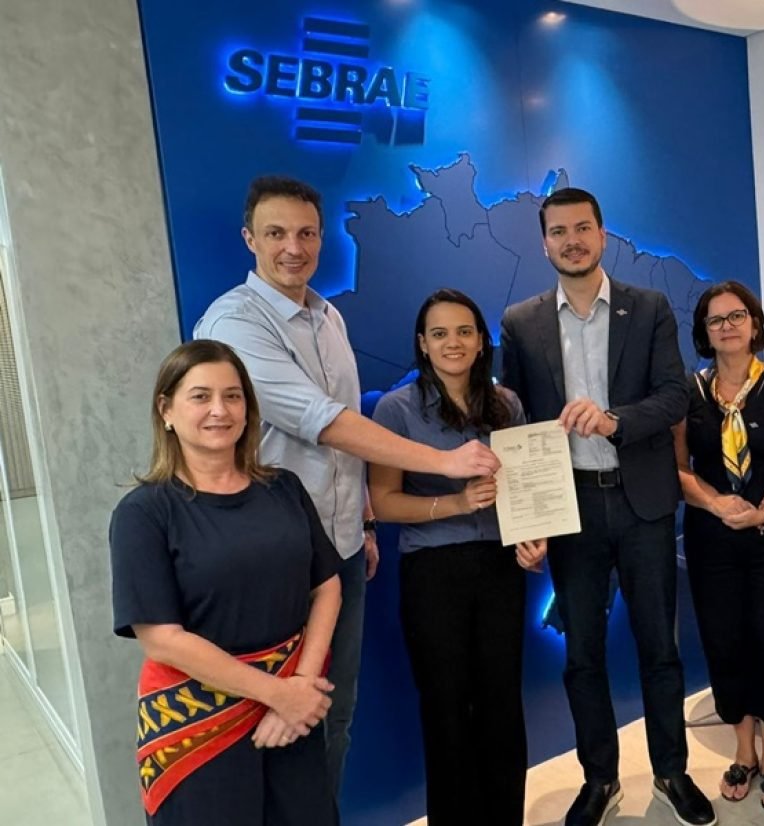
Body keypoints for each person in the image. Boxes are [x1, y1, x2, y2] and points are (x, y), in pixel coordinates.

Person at [194, 176, 499, 790]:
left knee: (335, 712)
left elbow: (341, 433)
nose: (293, 247)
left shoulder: (328, 316)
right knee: (278, 718)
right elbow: (325, 421)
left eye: (306, 233)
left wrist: (363, 518)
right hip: (276, 558)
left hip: (343, 550)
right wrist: (444, 462)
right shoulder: (233, 323)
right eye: (276, 233)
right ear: (249, 238)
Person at [500, 187, 714, 826]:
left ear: (601, 233)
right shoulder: (521, 322)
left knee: (660, 650)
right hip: (569, 509)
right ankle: (599, 779)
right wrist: (528, 520)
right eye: (558, 231)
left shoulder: (648, 309)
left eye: (582, 228)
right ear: (544, 243)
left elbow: (675, 396)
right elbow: (516, 424)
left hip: (643, 502)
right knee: (582, 657)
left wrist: (616, 420)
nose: (572, 241)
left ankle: (672, 771)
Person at [110, 339, 342, 825]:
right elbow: (161, 639)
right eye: (201, 396)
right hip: (199, 727)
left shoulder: (284, 488)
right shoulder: (143, 513)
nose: (220, 410)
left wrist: (300, 687)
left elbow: (327, 586)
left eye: (233, 396)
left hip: (292, 715)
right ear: (166, 410)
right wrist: (276, 693)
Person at [368, 289, 546, 826]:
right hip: (433, 574)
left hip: (499, 570)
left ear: (481, 341)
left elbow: (526, 490)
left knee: (501, 705)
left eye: (465, 331)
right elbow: (384, 502)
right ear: (422, 344)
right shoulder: (396, 409)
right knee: (445, 709)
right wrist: (456, 503)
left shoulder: (507, 405)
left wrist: (534, 540)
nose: (453, 343)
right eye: (440, 333)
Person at [673, 281, 764, 812]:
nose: (727, 326)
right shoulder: (688, 391)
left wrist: (762, 511)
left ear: (754, 324)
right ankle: (744, 751)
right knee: (725, 641)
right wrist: (716, 505)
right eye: (716, 320)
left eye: (737, 316)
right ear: (704, 333)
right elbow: (679, 469)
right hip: (712, 537)